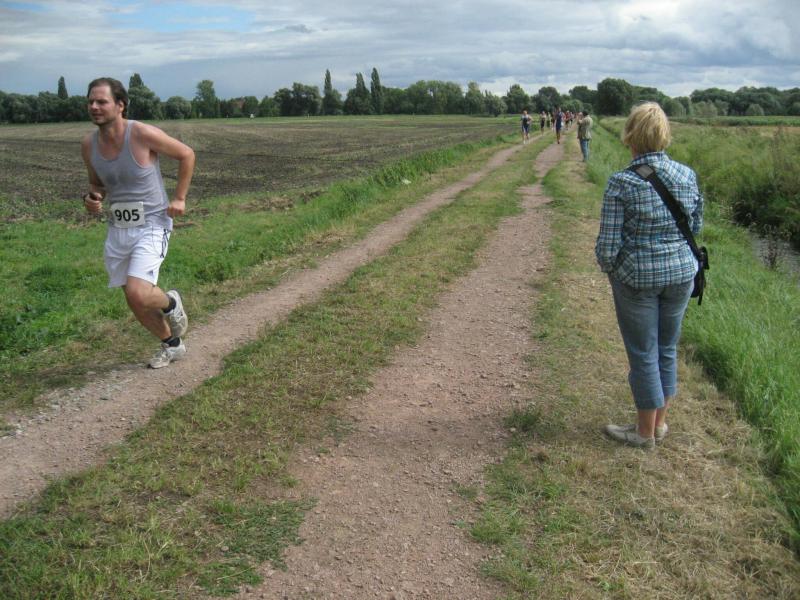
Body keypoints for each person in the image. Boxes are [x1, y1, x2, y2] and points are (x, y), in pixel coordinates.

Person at [595, 102, 703, 449]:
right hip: (681, 274)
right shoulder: (687, 175)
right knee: (667, 348)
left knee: (643, 353)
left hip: (637, 280)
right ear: (664, 135)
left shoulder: (622, 182)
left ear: (630, 136)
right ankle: (659, 425)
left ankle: (643, 433)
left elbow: (607, 247)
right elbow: (695, 226)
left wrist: (613, 271)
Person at [81, 77, 196, 369]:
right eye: (91, 101)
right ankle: (172, 345)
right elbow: (97, 184)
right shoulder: (89, 144)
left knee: (138, 292)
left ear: (120, 105)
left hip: (153, 223)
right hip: (118, 228)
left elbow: (186, 154)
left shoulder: (141, 133)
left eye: (102, 101)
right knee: (134, 299)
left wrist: (179, 198)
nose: (94, 107)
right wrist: (93, 198)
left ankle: (170, 303)